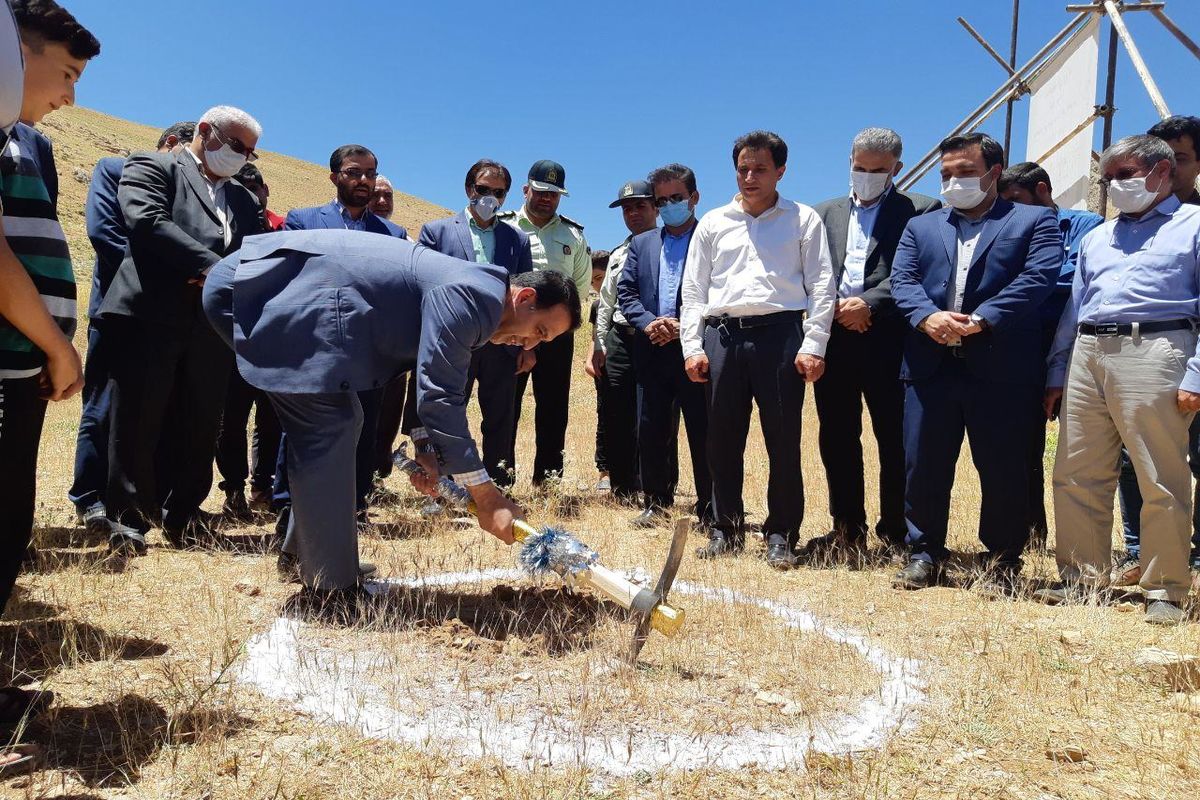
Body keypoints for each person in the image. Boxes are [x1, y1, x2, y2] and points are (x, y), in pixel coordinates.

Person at [201, 230, 581, 607]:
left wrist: (427, 449)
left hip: (278, 291)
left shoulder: (477, 296)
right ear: (526, 297)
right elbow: (439, 396)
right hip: (260, 289)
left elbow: (426, 371)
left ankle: (310, 557)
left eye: (540, 342)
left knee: (340, 422)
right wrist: (487, 497)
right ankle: (329, 589)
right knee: (330, 425)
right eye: (539, 331)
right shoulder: (476, 296)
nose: (528, 344)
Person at [1040, 135, 1200, 626]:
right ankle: (1082, 580)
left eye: (1125, 175)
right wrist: (1056, 371)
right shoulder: (1097, 237)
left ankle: (1164, 588)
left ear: (1162, 172)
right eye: (1109, 178)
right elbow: (1075, 309)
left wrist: (1196, 373)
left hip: (1158, 348)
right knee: (1076, 470)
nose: (1115, 186)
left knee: (1159, 474)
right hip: (1088, 350)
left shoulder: (1194, 225)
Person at [889, 133, 1060, 593]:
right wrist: (928, 317)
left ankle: (1003, 558)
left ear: (994, 172)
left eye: (964, 172)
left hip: (1001, 368)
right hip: (930, 366)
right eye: (945, 174)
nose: (953, 181)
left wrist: (983, 320)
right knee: (922, 464)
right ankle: (924, 552)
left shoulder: (1035, 221)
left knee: (1003, 466)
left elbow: (1039, 277)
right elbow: (902, 280)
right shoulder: (921, 227)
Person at [0, 0, 98, 761]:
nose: (69, 95)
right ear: (15, 51)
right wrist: (57, 348)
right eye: (63, 72)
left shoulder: (19, 140)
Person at [99, 105, 263, 555]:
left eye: (249, 153)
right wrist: (213, 268)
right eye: (236, 147)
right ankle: (129, 519)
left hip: (210, 325)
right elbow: (147, 221)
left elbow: (251, 253)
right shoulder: (153, 165)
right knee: (138, 418)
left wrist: (225, 278)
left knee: (200, 420)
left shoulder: (245, 201)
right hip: (150, 314)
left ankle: (184, 514)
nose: (243, 158)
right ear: (206, 131)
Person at [680, 131, 836, 568]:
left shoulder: (803, 220)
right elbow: (693, 291)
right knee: (721, 440)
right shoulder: (713, 222)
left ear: (781, 171)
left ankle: (781, 533)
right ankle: (724, 528)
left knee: (783, 440)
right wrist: (692, 346)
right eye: (743, 168)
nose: (750, 177)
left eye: (760, 169)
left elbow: (822, 286)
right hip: (723, 338)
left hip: (781, 337)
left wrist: (814, 344)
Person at [806, 128, 940, 559]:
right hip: (835, 340)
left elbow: (919, 271)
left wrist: (868, 304)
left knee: (896, 439)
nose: (865, 176)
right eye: (858, 168)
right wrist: (837, 310)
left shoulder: (921, 212)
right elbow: (809, 273)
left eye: (876, 170)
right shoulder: (820, 214)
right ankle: (847, 527)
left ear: (896, 169)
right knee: (838, 436)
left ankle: (896, 531)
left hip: (892, 342)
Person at [273, 144, 407, 533]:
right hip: (312, 348)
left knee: (363, 426)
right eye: (354, 172)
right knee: (302, 429)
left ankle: (354, 506)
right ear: (334, 177)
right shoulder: (303, 221)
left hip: (367, 351)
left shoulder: (393, 235)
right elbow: (289, 279)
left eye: (370, 173)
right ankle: (288, 506)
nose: (363, 181)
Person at [68, 121, 194, 537]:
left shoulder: (188, 191)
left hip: (168, 319)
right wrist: (173, 272)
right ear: (173, 144)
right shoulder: (112, 169)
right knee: (103, 405)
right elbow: (105, 234)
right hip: (118, 309)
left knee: (151, 414)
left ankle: (142, 501)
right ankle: (89, 496)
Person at [1111, 115, 1200, 591]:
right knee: (1134, 458)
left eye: (1179, 159)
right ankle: (1137, 551)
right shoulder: (1122, 228)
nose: (1166, 168)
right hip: (1140, 367)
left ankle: (1193, 556)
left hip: (1191, 364)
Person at [996, 160, 1102, 550]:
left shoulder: (1086, 226)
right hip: (1024, 345)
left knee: (1084, 448)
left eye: (1017, 200)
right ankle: (1030, 533)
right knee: (1024, 445)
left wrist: (1030, 278)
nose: (1011, 210)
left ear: (1042, 190)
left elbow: (1072, 279)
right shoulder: (1009, 228)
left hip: (1079, 346)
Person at [416, 159, 534, 487]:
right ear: (469, 189)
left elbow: (525, 295)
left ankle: (498, 484)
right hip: (453, 342)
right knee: (448, 415)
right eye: (483, 190)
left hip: (501, 343)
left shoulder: (517, 240)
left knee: (500, 418)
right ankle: (447, 486)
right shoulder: (437, 232)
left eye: (499, 193)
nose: (490, 198)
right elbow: (422, 286)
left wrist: (526, 344)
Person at [618, 165, 711, 529]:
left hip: (696, 350)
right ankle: (655, 502)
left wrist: (683, 327)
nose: (670, 204)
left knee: (703, 430)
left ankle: (710, 505)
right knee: (652, 428)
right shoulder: (642, 244)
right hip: (653, 349)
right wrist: (649, 323)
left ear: (694, 198)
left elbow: (718, 291)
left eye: (677, 197)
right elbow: (627, 293)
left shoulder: (713, 236)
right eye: (663, 200)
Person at [500, 160, 591, 487]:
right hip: (509, 330)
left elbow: (579, 288)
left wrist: (550, 328)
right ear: (526, 189)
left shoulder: (573, 235)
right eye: (540, 192)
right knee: (504, 404)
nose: (546, 199)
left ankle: (548, 480)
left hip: (554, 335)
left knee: (554, 406)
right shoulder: (504, 225)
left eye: (553, 194)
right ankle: (501, 477)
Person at [210, 162, 284, 518]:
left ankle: (263, 484)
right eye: (243, 186)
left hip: (272, 340)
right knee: (231, 419)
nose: (253, 192)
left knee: (272, 419)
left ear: (266, 189)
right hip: (231, 340)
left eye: (256, 186)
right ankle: (234, 488)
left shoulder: (282, 228)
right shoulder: (224, 225)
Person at [589, 179, 658, 502]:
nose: (633, 213)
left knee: (656, 413)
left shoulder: (670, 246)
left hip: (657, 339)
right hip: (619, 338)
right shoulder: (617, 254)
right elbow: (606, 303)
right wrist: (600, 345)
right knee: (616, 411)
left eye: (640, 206)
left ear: (655, 207)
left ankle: (655, 483)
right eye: (627, 209)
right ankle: (621, 486)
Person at [587, 250, 611, 490]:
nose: (598, 284)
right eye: (593, 280)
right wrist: (588, 358)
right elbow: (594, 336)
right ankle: (604, 472)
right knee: (604, 416)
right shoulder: (596, 305)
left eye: (602, 277)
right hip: (603, 366)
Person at [234, 161, 284, 230]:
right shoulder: (230, 234)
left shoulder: (288, 227)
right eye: (242, 192)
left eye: (253, 189)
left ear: (266, 190)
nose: (250, 196)